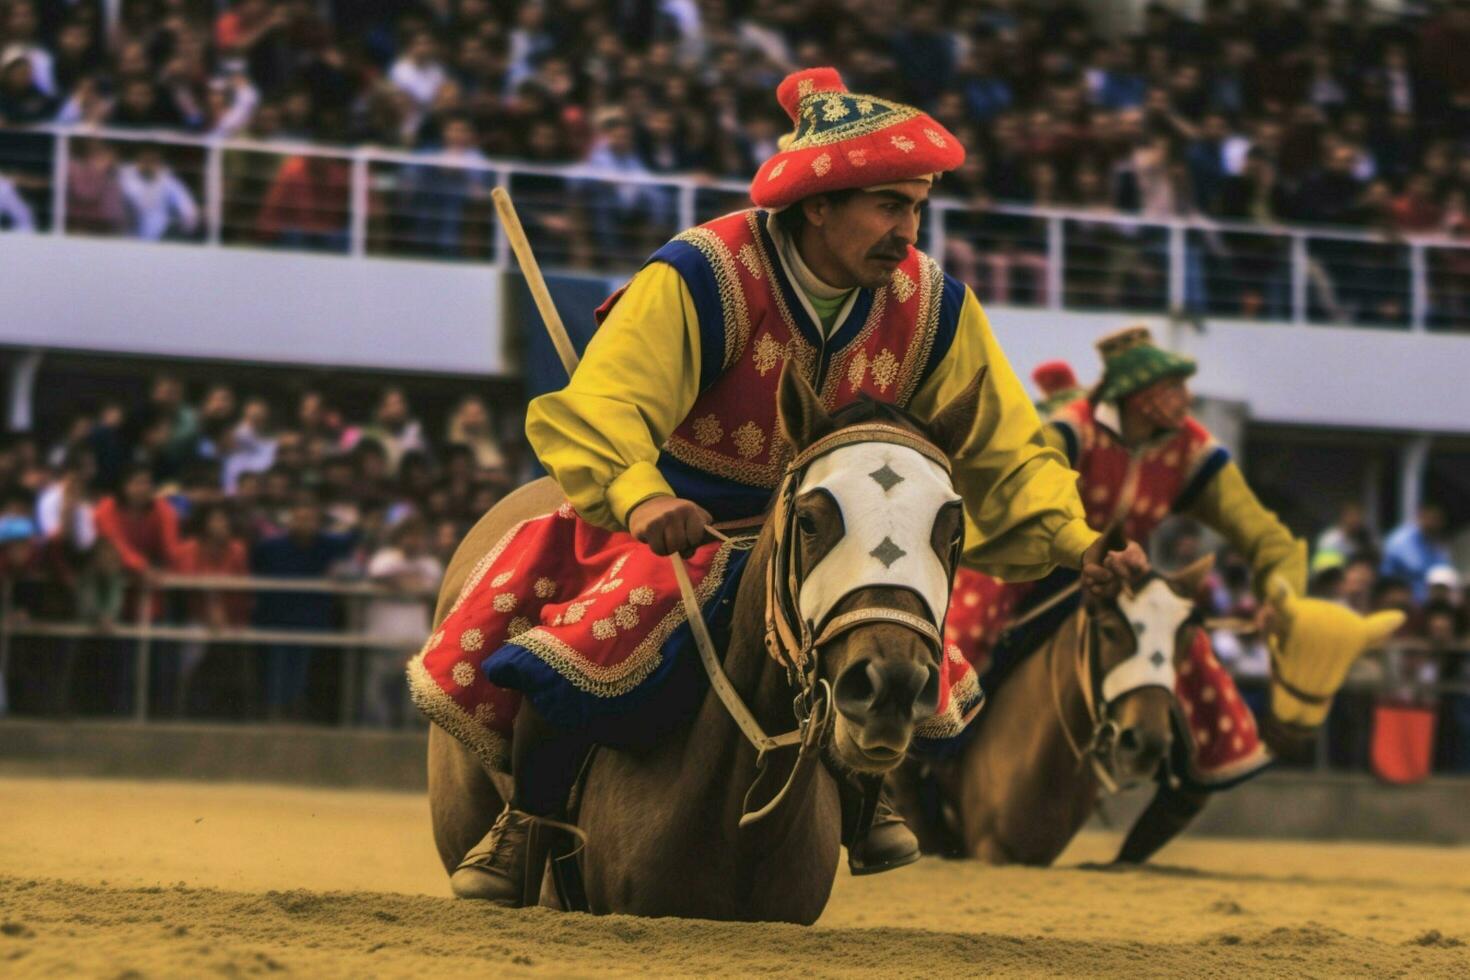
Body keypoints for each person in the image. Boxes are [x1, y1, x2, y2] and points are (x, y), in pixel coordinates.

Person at [412, 67, 1145, 906]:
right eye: (888, 206)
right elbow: (606, 403)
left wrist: (1076, 542)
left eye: (916, 208)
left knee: (887, 621)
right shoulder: (701, 273)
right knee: (581, 642)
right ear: (818, 205)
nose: (908, 232)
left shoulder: (935, 307)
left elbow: (1008, 450)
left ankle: (866, 792)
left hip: (833, 531)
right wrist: (643, 498)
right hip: (680, 520)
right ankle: (528, 820)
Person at [943, 327, 1382, 864]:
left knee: (1204, 692)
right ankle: (917, 762)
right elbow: (1025, 497)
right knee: (960, 643)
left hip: (1125, 575)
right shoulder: (1067, 433)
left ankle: (1147, 836)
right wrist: (1078, 547)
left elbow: (1264, 535)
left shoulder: (1190, 449)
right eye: (1173, 388)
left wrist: (1278, 592)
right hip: (1034, 564)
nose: (1186, 399)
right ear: (1138, 396)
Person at [361, 516, 442, 727]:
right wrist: (409, 583)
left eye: (418, 537)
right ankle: (375, 740)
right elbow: (380, 575)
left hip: (416, 640)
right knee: (376, 697)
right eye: (409, 536)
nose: (413, 541)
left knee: (412, 700)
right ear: (399, 538)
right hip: (382, 638)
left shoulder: (430, 564)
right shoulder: (385, 558)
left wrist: (402, 583)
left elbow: (429, 585)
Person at [1381, 503, 1451, 604]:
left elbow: (1444, 574)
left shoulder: (1438, 545)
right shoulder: (1400, 541)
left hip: (1429, 606)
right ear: (1420, 516)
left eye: (1437, 519)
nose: (1433, 523)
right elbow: (1387, 576)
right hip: (1402, 603)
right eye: (1431, 518)